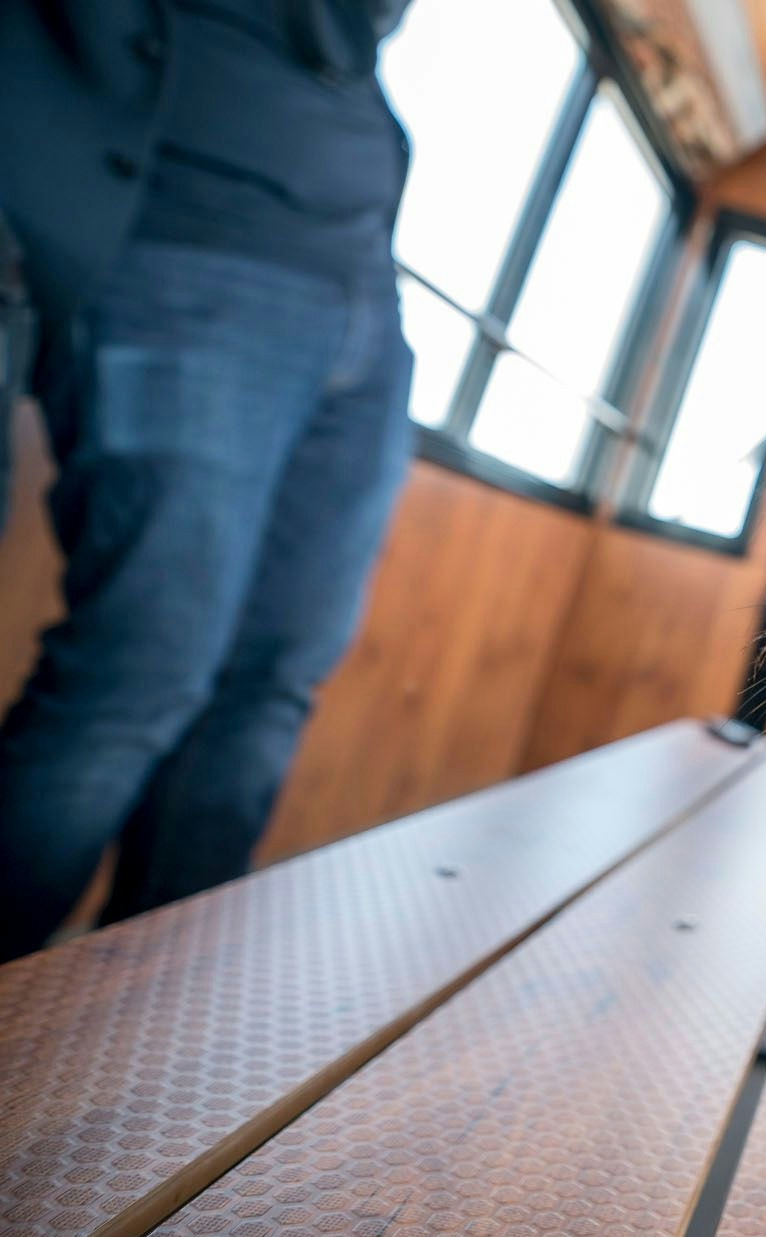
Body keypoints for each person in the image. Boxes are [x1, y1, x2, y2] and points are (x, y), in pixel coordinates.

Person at [0, 0, 416, 961]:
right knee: (139, 672)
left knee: (274, 679)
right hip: (180, 243)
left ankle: (149, 1029)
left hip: (361, 288)